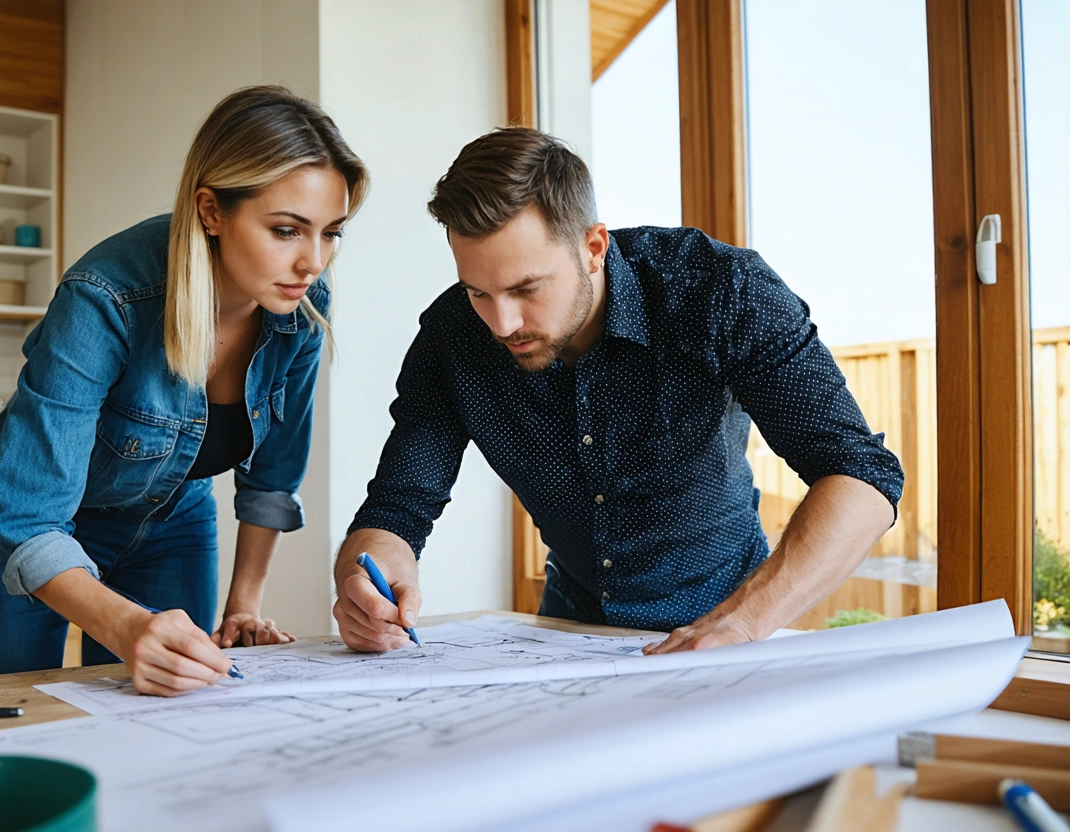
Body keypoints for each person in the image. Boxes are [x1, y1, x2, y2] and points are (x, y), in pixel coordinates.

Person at [332, 128, 902, 654]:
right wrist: (367, 576)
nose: (502, 323)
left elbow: (862, 476)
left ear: (594, 247)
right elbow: (398, 509)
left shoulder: (720, 289)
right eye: (478, 292)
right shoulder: (451, 337)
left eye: (527, 288)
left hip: (736, 617)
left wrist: (745, 621)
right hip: (570, 626)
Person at [0, 86, 369, 695]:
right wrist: (126, 625)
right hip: (26, 527)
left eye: (332, 233)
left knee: (172, 712)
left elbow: (271, 477)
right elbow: (31, 516)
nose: (313, 262)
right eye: (285, 230)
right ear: (211, 210)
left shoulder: (304, 308)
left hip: (172, 524)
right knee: (11, 719)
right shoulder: (105, 296)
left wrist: (243, 605)